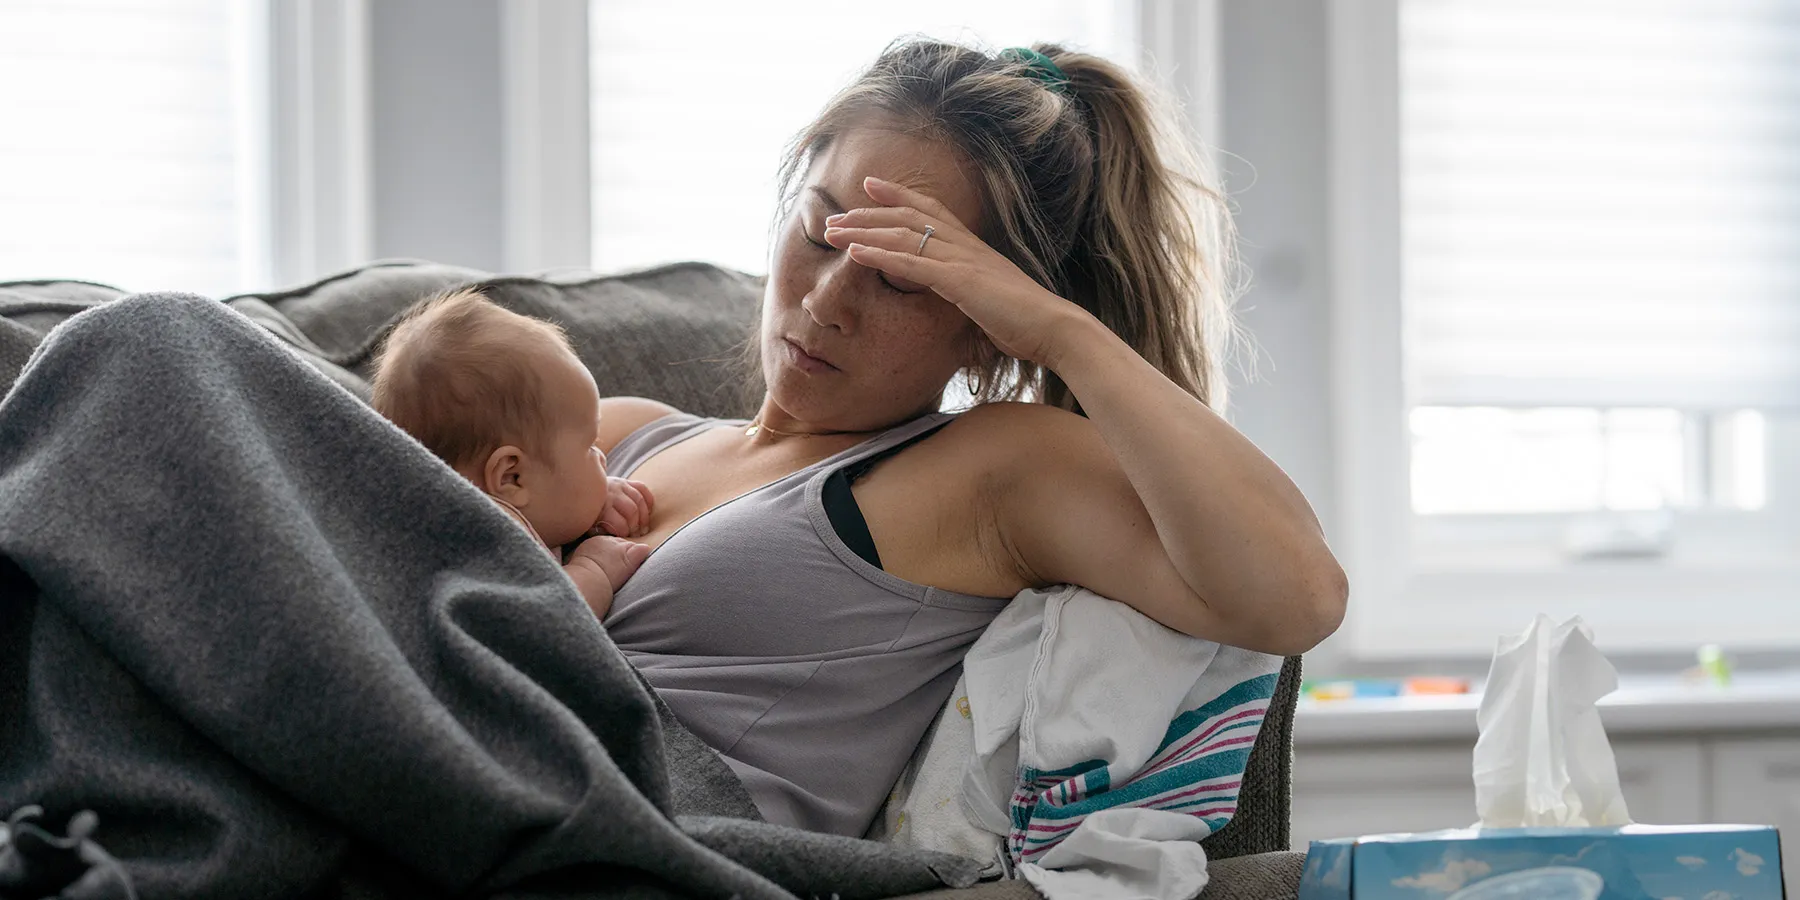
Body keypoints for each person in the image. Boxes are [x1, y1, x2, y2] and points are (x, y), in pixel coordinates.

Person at [594, 40, 1347, 837]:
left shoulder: (984, 471)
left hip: (627, 835)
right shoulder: (621, 431)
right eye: (821, 233)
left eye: (901, 278)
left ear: (985, 326)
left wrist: (1063, 334)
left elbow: (1298, 599)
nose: (827, 301)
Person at [368, 288, 653, 618]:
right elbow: (547, 625)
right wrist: (593, 570)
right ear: (511, 476)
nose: (602, 458)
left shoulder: (437, 508)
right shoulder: (483, 539)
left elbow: (545, 509)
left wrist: (589, 500)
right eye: (589, 447)